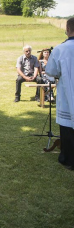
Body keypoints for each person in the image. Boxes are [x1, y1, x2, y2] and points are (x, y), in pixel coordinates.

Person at [46, 17, 74, 170]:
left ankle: (69, 159)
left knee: (68, 126)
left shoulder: (60, 49)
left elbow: (51, 71)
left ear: (68, 29)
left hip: (68, 92)